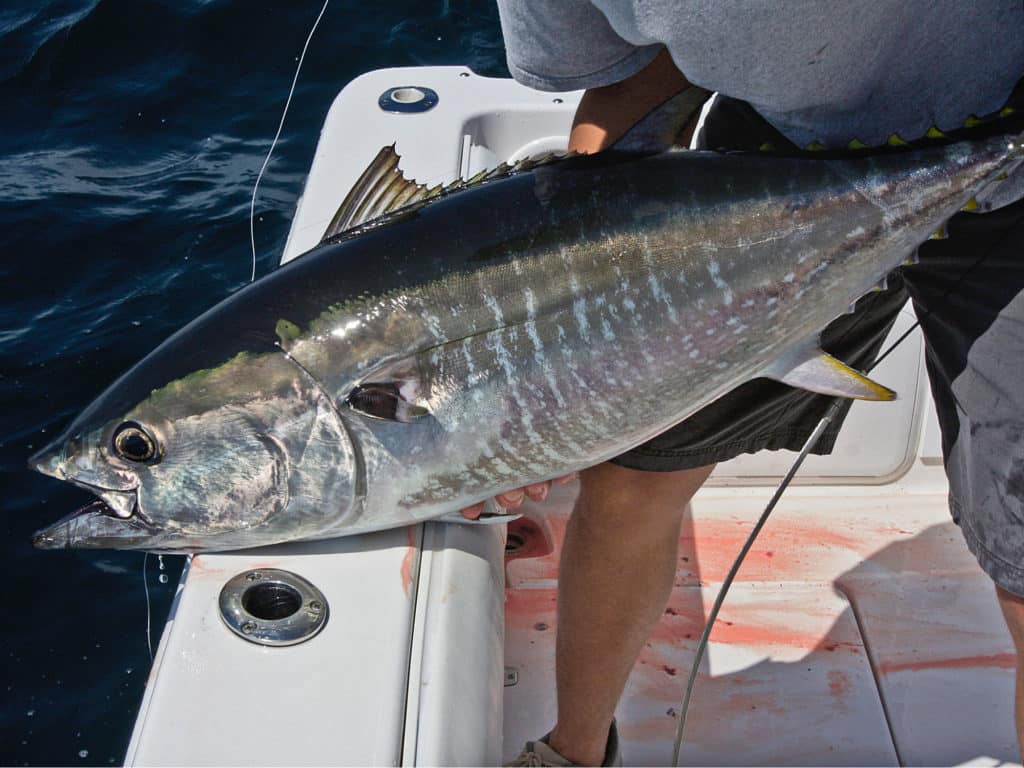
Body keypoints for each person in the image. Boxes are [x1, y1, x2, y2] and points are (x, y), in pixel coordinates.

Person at [460, 2, 1024, 765]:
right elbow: (629, 86)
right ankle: (575, 752)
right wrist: (565, 386)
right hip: (773, 163)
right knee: (630, 480)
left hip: (1008, 157)